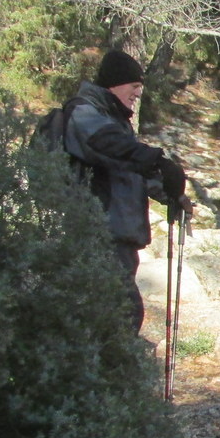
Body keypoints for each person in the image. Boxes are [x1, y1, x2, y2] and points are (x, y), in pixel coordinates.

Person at [64, 48, 194, 334]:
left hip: (118, 238)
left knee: (121, 315)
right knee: (120, 316)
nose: (138, 93)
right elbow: (109, 145)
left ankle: (110, 372)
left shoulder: (113, 121)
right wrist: (157, 158)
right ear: (115, 82)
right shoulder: (85, 113)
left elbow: (130, 170)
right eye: (134, 86)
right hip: (99, 234)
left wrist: (171, 195)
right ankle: (110, 374)